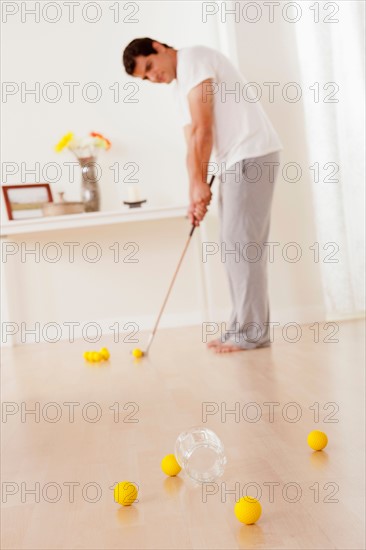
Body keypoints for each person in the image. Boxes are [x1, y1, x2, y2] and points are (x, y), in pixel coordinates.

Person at [123, 38, 282, 353]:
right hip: (234, 162)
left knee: (240, 246)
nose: (152, 77)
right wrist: (194, 191)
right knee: (233, 244)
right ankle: (242, 327)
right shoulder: (178, 88)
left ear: (158, 47)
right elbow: (190, 142)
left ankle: (251, 333)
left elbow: (203, 129)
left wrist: (200, 184)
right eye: (145, 77)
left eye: (150, 67)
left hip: (251, 154)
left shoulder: (194, 58)